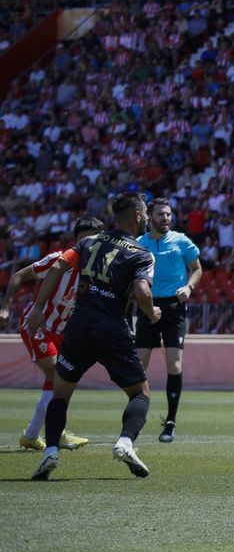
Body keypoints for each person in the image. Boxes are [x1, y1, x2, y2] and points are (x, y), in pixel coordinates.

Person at [30, 193, 162, 481]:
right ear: (139, 216)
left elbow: (57, 267)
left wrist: (38, 308)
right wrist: (152, 313)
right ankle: (125, 442)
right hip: (112, 329)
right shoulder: (141, 253)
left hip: (78, 327)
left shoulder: (89, 241)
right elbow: (141, 292)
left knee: (61, 394)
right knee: (140, 393)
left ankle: (51, 452)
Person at [0, 217, 102, 452]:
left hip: (62, 332)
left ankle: (31, 435)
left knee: (56, 380)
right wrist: (5, 307)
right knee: (56, 374)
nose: (87, 245)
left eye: (93, 240)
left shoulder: (96, 272)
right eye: (83, 239)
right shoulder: (57, 260)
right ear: (76, 241)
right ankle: (60, 432)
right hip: (37, 325)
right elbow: (18, 277)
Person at [135, 198, 203, 444]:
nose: (166, 218)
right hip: (146, 306)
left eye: (168, 214)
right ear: (149, 217)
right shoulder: (139, 244)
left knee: (174, 366)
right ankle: (136, 419)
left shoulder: (181, 240)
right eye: (161, 214)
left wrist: (189, 287)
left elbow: (197, 268)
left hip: (174, 307)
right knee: (138, 368)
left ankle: (171, 422)